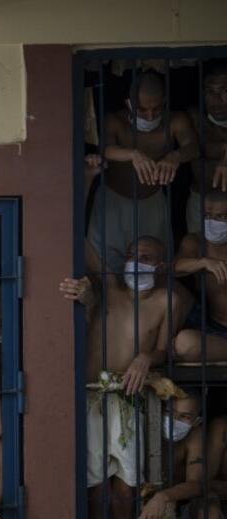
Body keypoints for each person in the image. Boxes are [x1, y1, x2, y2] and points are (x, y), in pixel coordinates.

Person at [61, 235, 188, 519]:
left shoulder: (169, 300)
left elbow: (165, 349)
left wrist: (148, 357)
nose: (137, 262)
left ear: (162, 265)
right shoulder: (108, 284)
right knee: (96, 495)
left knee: (125, 498)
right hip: (92, 398)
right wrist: (85, 179)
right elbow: (80, 239)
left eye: (146, 257)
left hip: (133, 400)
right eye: (132, 255)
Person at [88, 71, 197, 275]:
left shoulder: (175, 120)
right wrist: (133, 154)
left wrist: (175, 156)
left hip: (152, 201)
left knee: (155, 265)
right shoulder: (115, 121)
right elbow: (103, 149)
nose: (150, 115)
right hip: (113, 201)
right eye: (142, 109)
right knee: (103, 266)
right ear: (129, 103)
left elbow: (193, 147)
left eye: (156, 109)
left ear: (164, 101)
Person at [173, 191, 227, 361]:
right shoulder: (196, 241)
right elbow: (172, 269)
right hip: (211, 326)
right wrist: (204, 262)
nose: (212, 222)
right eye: (207, 216)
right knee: (183, 344)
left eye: (220, 217)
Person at [184, 62, 227, 240]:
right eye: (210, 92)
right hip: (201, 201)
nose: (217, 99)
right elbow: (194, 149)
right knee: (198, 253)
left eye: (225, 91)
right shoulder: (194, 118)